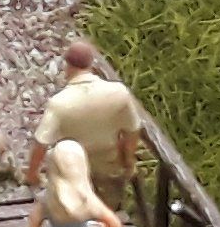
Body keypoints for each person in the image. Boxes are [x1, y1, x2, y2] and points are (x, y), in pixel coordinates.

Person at [25, 41, 139, 213]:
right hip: (109, 166)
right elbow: (133, 130)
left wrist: (32, 174)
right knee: (108, 211)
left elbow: (41, 142)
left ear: (68, 66)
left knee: (74, 211)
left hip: (73, 172)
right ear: (91, 65)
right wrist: (128, 160)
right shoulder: (119, 92)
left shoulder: (59, 103)